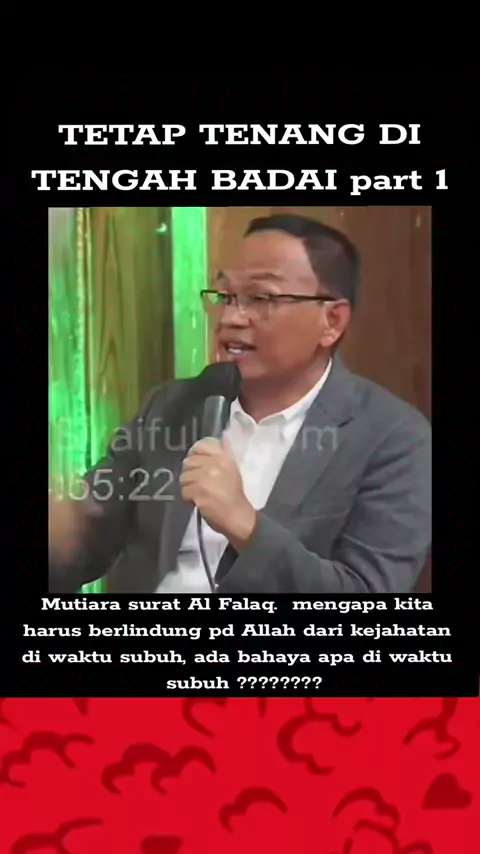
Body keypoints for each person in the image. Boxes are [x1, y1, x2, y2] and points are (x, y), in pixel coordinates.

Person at [49, 213, 431, 594]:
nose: (231, 318)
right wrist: (60, 526)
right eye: (225, 296)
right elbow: (83, 535)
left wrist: (245, 525)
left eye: (261, 298)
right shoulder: (174, 405)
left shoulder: (393, 438)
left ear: (331, 320)